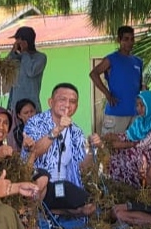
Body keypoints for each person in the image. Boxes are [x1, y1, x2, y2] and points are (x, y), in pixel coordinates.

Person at [23, 83, 96, 216]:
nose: (68, 104)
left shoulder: (76, 131)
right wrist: (57, 130)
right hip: (39, 185)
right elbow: (34, 152)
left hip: (62, 187)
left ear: (77, 106)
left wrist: (92, 149)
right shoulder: (35, 122)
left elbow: (82, 167)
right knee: (42, 177)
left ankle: (52, 211)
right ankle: (35, 212)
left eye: (72, 101)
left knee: (90, 206)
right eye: (62, 99)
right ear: (51, 102)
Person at [103, 90, 151, 187]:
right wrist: (114, 136)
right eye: (137, 105)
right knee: (116, 152)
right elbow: (128, 135)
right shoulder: (140, 120)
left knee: (131, 154)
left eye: (142, 105)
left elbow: (145, 144)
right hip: (140, 149)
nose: (139, 109)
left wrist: (124, 145)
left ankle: (139, 187)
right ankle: (122, 185)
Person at [89, 25, 143, 135]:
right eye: (126, 39)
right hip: (115, 112)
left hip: (135, 113)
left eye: (132, 39)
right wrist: (108, 95)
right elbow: (93, 74)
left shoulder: (138, 61)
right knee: (110, 148)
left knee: (134, 149)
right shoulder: (111, 59)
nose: (130, 42)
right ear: (119, 40)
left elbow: (138, 85)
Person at [6, 26, 46, 116]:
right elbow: (6, 68)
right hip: (15, 109)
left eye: (18, 41)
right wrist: (13, 51)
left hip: (32, 109)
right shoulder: (18, 58)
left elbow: (31, 71)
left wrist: (25, 52)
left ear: (25, 42)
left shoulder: (40, 57)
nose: (16, 43)